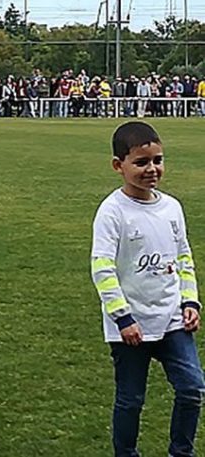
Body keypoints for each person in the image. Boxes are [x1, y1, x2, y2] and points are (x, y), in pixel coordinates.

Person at [91, 121, 204, 457]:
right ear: (118, 165)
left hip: (172, 318)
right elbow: (102, 266)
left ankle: (180, 452)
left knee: (192, 389)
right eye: (141, 162)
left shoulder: (172, 207)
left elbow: (183, 257)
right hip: (131, 325)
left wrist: (191, 301)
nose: (151, 169)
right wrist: (122, 318)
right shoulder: (112, 211)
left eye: (157, 160)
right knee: (131, 399)